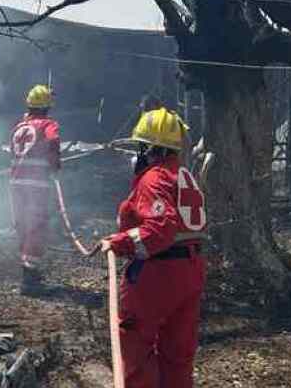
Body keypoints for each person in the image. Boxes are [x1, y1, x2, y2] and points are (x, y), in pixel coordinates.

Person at [100, 107, 207, 388]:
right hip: (191, 271)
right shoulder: (182, 175)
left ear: (150, 149)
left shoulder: (154, 178)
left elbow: (160, 230)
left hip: (157, 274)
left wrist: (119, 242)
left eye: (139, 148)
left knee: (137, 346)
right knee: (178, 355)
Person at [9, 84, 61, 294]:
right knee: (37, 226)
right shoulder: (48, 124)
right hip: (37, 184)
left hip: (16, 183)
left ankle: (27, 271)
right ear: (47, 106)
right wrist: (54, 163)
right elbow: (53, 139)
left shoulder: (18, 127)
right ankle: (30, 280)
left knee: (22, 224)